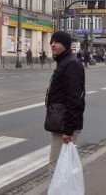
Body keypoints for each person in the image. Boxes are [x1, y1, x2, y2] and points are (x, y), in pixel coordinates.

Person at [45, 31, 85, 172]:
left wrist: (68, 129)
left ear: (66, 45)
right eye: (52, 42)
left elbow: (75, 98)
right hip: (61, 123)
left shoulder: (71, 64)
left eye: (57, 42)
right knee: (62, 167)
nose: (53, 45)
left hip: (65, 126)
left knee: (56, 168)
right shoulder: (65, 62)